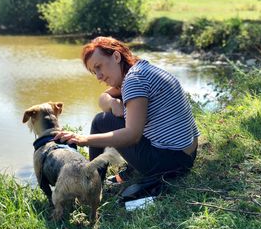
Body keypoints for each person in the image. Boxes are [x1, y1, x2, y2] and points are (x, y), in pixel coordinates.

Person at [54, 36, 200, 184]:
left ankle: (92, 182)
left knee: (100, 121)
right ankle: (129, 172)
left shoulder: (133, 81)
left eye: (99, 67)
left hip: (169, 163)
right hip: (187, 155)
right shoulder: (141, 70)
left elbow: (132, 136)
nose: (98, 76)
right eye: (94, 72)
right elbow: (102, 98)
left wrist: (83, 139)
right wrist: (112, 102)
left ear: (116, 56)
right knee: (114, 118)